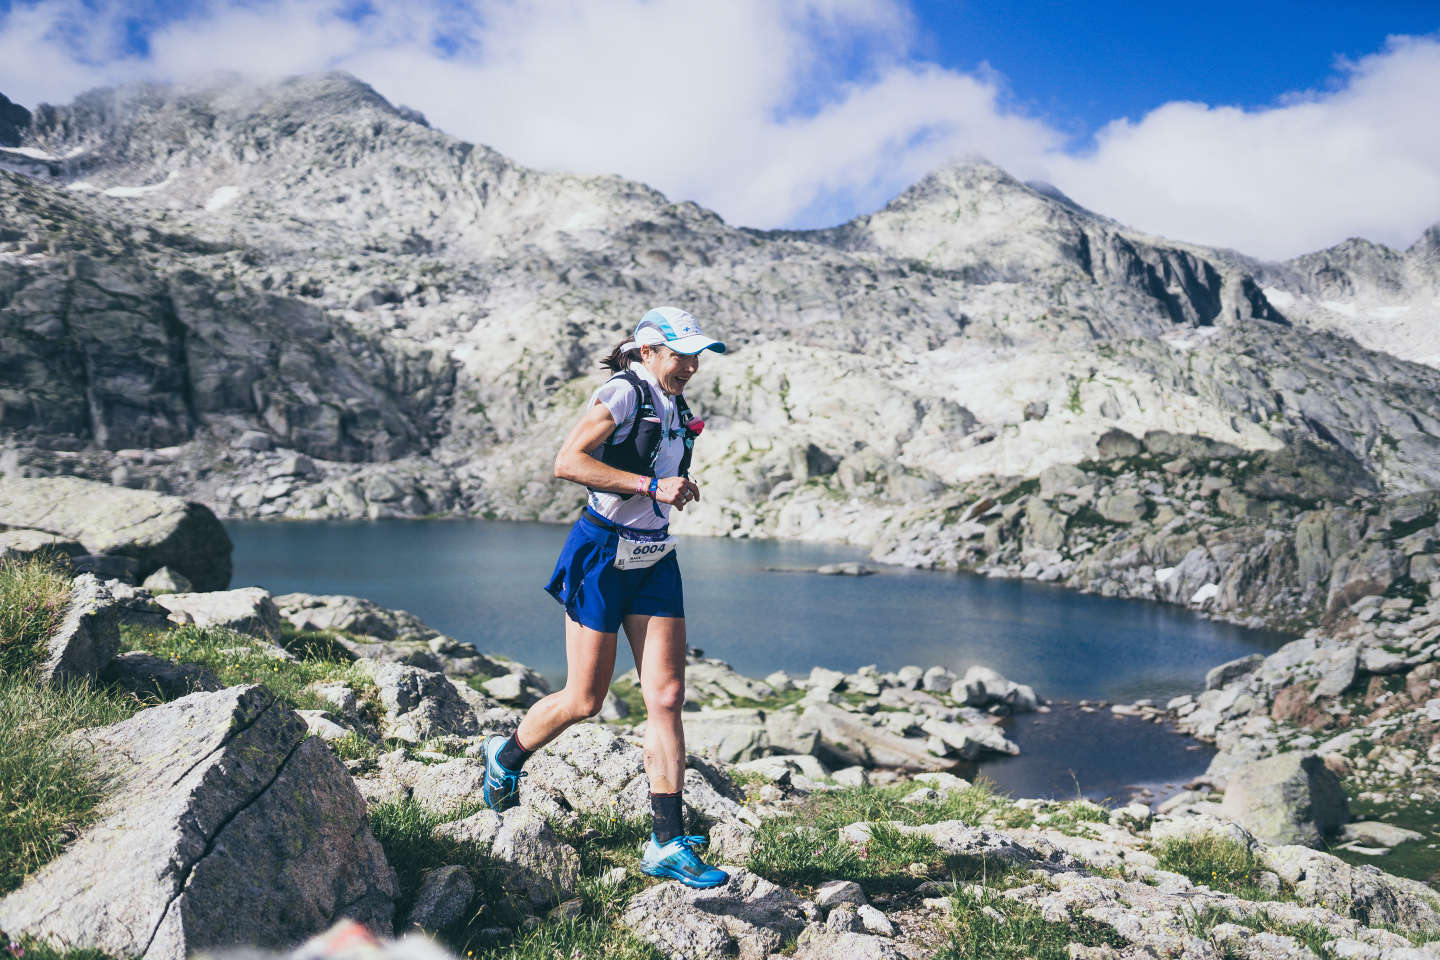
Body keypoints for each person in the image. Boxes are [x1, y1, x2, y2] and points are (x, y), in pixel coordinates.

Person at [479, 306, 730, 889]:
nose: (691, 365)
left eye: (696, 355)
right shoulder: (622, 393)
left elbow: (657, 471)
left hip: (654, 555)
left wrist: (675, 488)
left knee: (665, 695)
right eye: (680, 354)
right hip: (601, 553)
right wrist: (650, 485)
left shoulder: (675, 401)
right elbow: (568, 462)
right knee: (585, 698)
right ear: (648, 351)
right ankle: (506, 756)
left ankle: (666, 840)